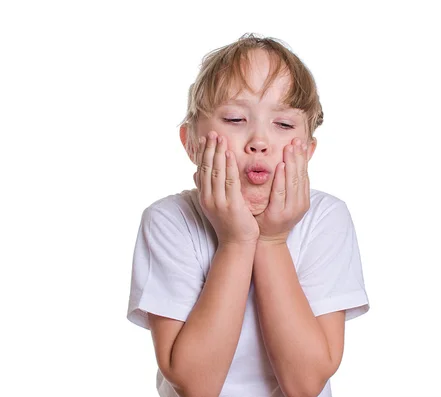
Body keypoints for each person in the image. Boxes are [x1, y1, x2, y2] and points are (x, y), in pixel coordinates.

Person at [127, 33, 369, 397]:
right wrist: (236, 241)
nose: (259, 140)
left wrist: (271, 240)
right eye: (235, 118)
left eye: (284, 125)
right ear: (191, 142)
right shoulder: (169, 220)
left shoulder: (325, 218)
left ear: (309, 150)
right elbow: (195, 385)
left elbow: (305, 385)